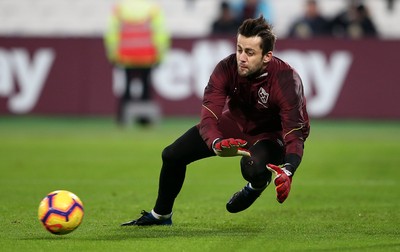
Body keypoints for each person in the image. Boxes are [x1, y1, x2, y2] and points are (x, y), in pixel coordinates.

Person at [121, 15, 310, 226]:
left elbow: (294, 132)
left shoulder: (286, 80)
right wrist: (215, 142)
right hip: (237, 123)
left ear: (267, 56)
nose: (241, 58)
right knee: (172, 155)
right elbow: (209, 115)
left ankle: (256, 185)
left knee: (251, 168)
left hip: (271, 134)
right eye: (239, 49)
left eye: (249, 52)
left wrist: (288, 169)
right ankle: (161, 215)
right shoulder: (226, 68)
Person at [104, 0, 170, 126]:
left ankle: (122, 118)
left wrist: (112, 54)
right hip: (147, 55)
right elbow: (161, 33)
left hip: (126, 55)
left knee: (127, 86)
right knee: (146, 86)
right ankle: (144, 120)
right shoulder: (152, 8)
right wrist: (160, 54)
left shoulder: (119, 8)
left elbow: (111, 32)